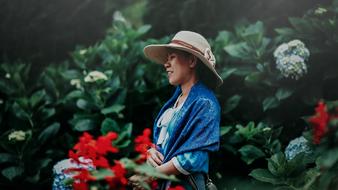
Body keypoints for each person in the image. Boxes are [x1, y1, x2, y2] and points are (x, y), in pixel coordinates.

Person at [129, 31, 223, 190]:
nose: (166, 64)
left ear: (192, 61)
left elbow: (195, 157)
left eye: (171, 57)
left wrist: (152, 174)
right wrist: (152, 153)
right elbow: (169, 144)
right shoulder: (176, 100)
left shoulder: (205, 103)